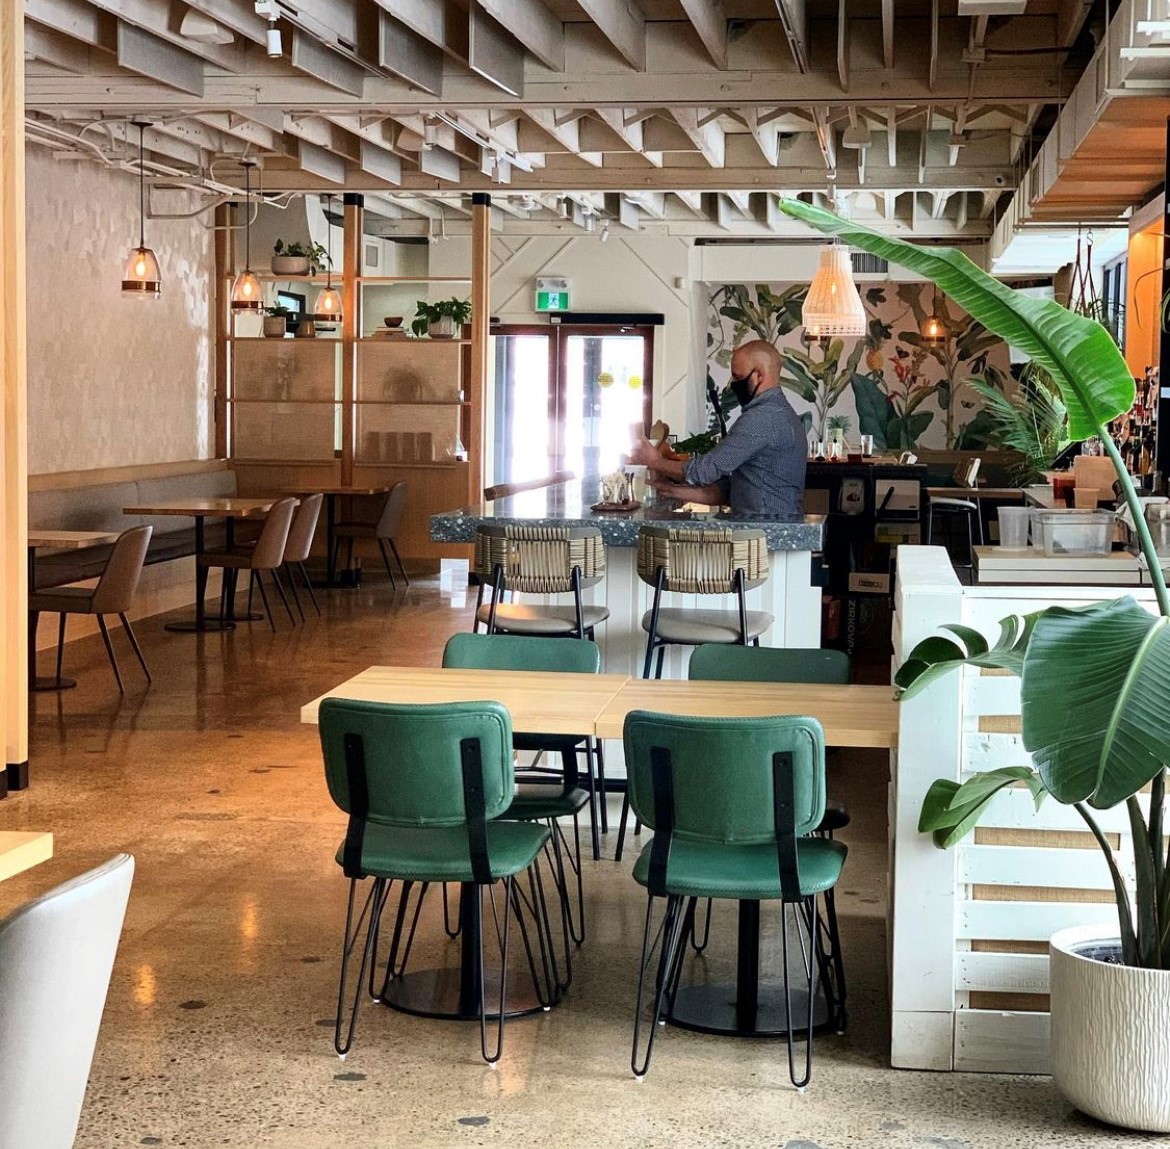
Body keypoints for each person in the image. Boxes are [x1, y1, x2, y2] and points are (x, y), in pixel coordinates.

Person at [630, 339, 807, 517]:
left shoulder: (762, 418)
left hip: (766, 533)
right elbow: (737, 489)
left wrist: (655, 462)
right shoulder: (779, 413)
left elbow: (706, 470)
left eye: (737, 377)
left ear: (758, 375)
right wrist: (672, 490)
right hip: (772, 529)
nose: (732, 384)